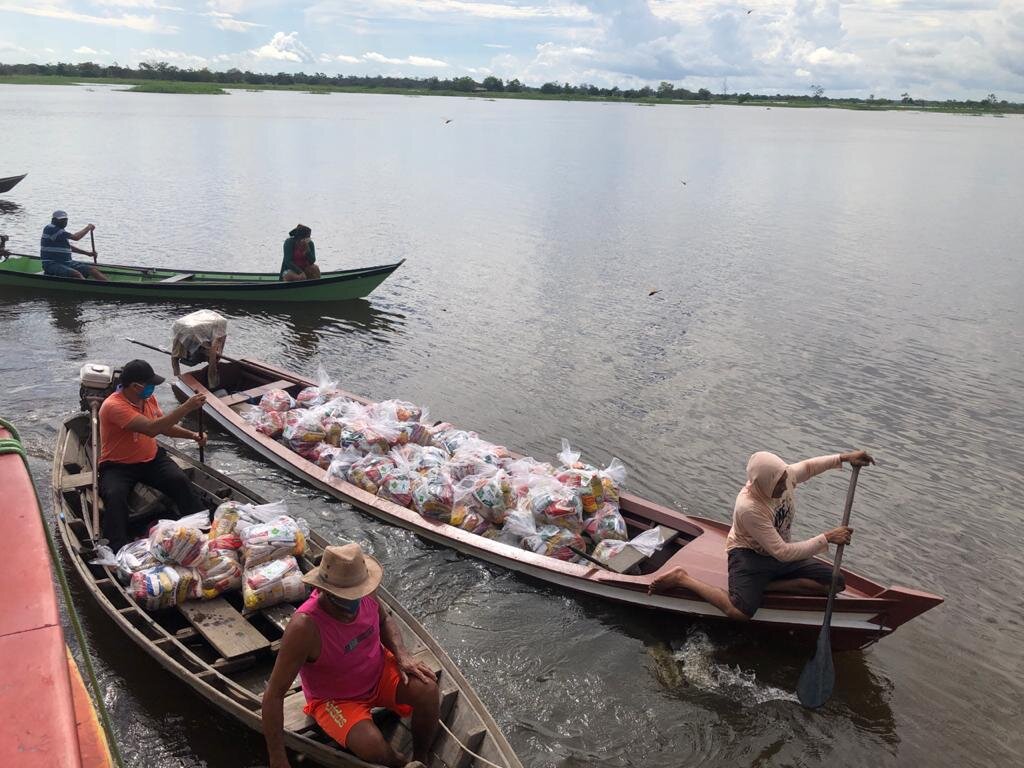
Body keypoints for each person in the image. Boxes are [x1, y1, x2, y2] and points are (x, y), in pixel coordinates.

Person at [262, 543, 438, 768]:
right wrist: (278, 759)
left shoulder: (365, 589)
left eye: (357, 593)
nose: (355, 599)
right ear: (325, 590)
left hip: (377, 671)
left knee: (428, 689)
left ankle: (422, 758)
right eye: (346, 596)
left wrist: (402, 655)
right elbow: (274, 695)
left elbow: (384, 619)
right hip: (336, 699)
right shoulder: (305, 627)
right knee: (372, 746)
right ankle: (402, 764)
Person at [649, 450, 875, 619]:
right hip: (749, 555)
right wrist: (827, 538)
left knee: (836, 583)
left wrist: (845, 458)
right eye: (777, 485)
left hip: (777, 553)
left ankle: (765, 585)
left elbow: (808, 467)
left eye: (783, 481)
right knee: (741, 612)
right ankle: (682, 578)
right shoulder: (749, 507)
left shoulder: (783, 476)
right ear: (762, 483)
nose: (783, 488)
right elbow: (782, 552)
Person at [97, 359, 207, 551]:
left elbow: (164, 426)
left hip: (151, 459)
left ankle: (203, 527)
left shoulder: (148, 400)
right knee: (115, 496)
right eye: (149, 385)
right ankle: (118, 547)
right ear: (134, 386)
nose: (152, 389)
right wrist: (186, 407)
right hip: (118, 465)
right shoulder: (114, 406)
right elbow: (151, 429)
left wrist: (192, 435)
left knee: (179, 480)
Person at [40, 210, 107, 280]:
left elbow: (68, 247)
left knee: (93, 270)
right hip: (52, 264)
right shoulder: (51, 228)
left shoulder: (61, 231)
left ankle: (108, 287)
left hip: (67, 262)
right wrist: (88, 227)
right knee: (76, 274)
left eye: (65, 220)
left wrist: (87, 253)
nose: (64, 222)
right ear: (53, 220)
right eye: (61, 220)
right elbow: (76, 237)